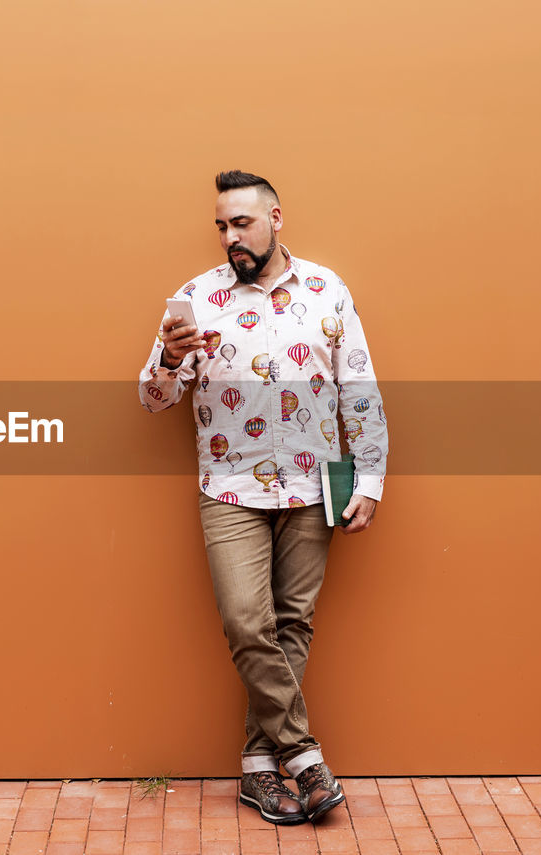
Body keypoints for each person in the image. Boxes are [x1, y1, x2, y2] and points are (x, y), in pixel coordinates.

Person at [137, 170, 389, 825]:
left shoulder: (327, 288)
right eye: (222, 225)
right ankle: (303, 756)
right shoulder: (197, 298)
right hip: (230, 485)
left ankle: (258, 767)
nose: (230, 236)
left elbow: (356, 386)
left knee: (293, 625)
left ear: (275, 218)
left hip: (318, 480)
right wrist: (166, 359)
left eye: (242, 223)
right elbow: (153, 398)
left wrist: (368, 479)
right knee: (249, 623)